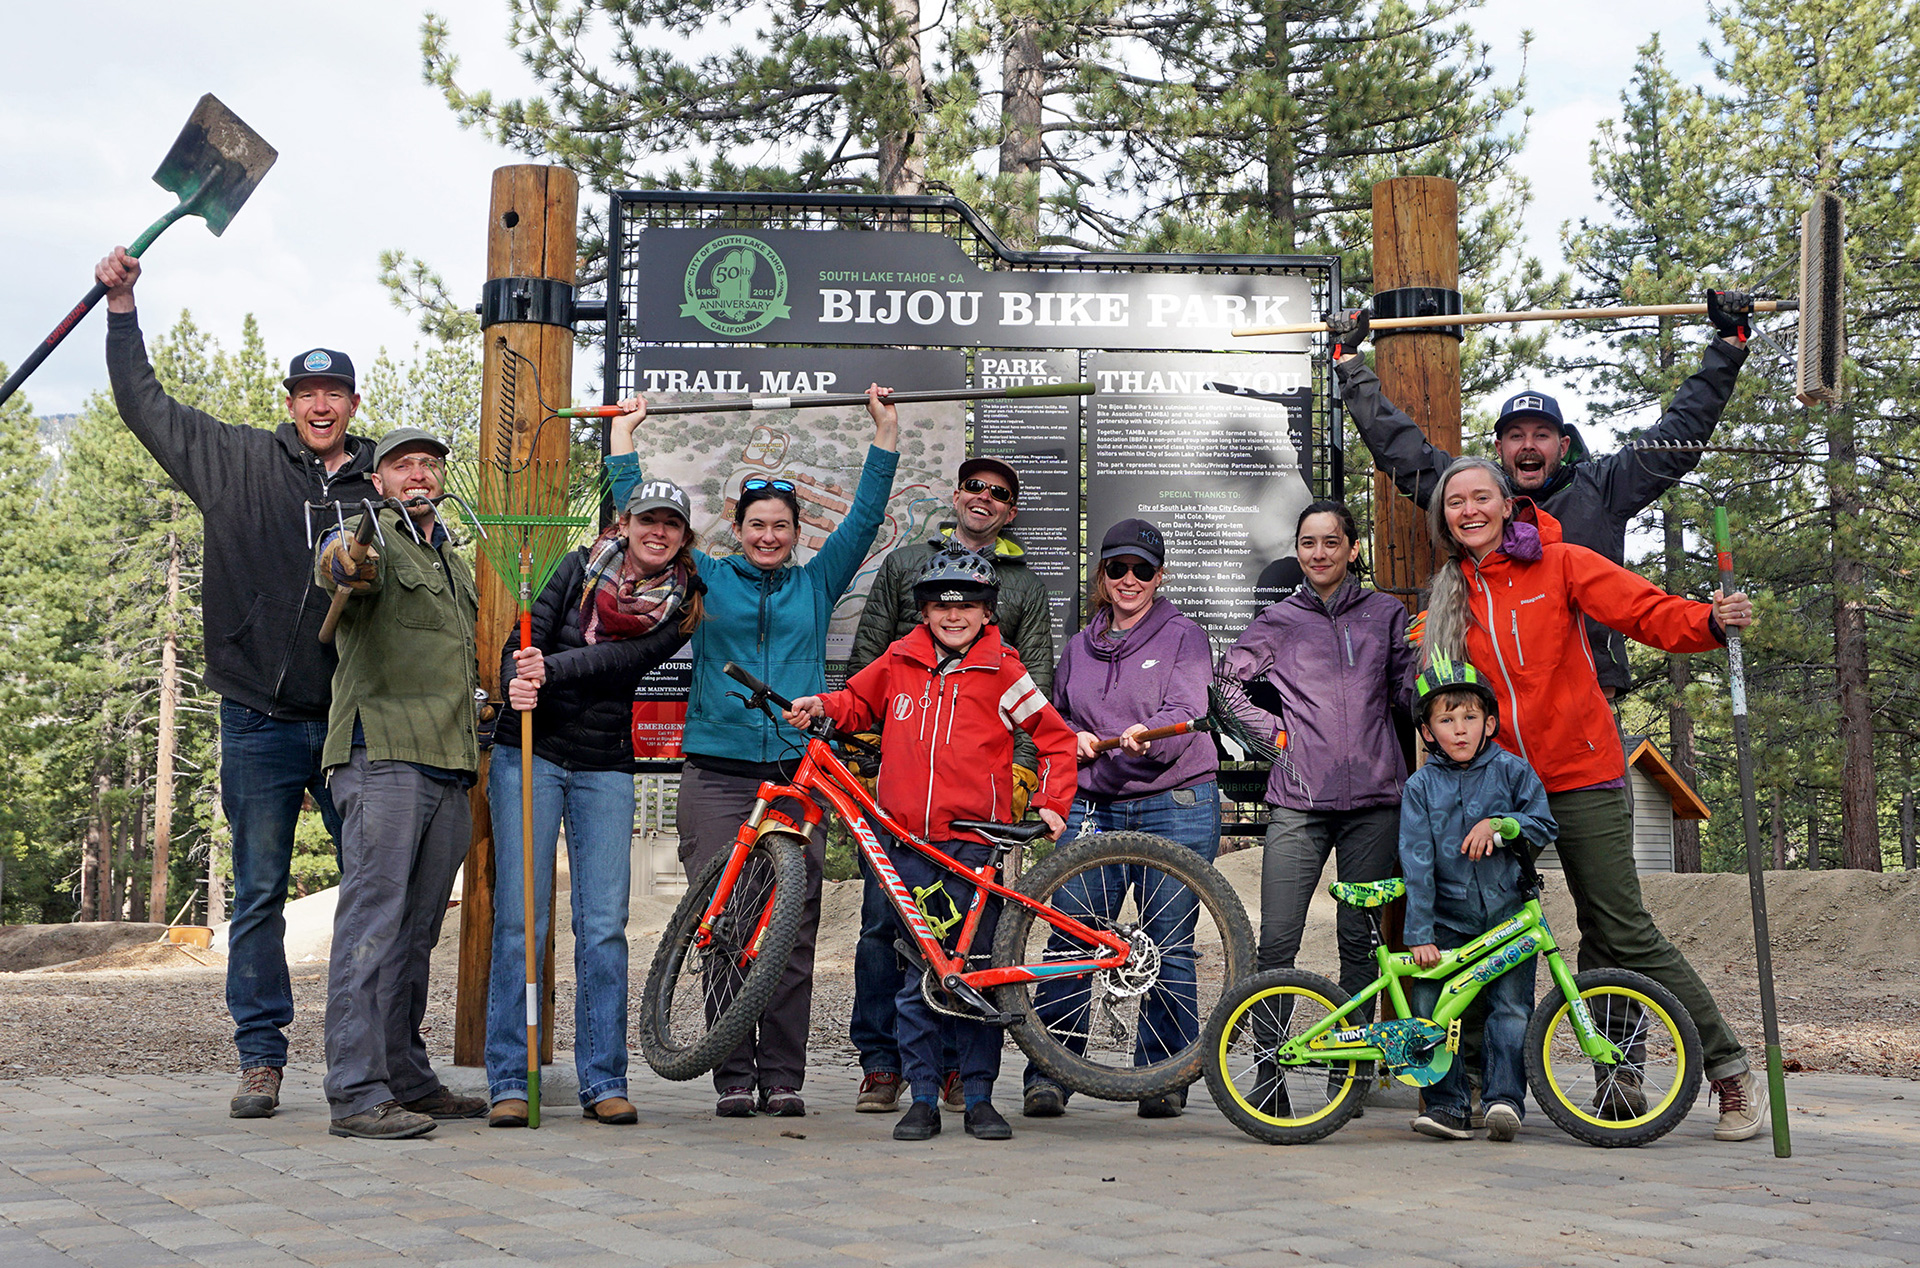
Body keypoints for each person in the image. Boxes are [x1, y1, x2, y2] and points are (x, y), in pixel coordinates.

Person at [97, 246, 378, 1119]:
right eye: (306, 393)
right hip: (256, 713)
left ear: (353, 405)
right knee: (257, 894)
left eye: (334, 393)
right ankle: (261, 1057)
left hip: (350, 721)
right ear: (290, 404)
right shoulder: (236, 462)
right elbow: (144, 405)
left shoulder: (384, 488)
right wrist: (123, 312)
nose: (321, 404)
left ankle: (369, 1057)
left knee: (374, 893)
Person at [1419, 455, 1767, 1142]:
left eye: (1481, 496)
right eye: (1455, 501)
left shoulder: (1563, 562)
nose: (1470, 510)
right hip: (1502, 789)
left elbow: (1642, 611)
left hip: (1582, 775)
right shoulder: (1448, 596)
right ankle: (1470, 1090)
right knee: (1486, 932)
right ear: (1444, 517)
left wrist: (1709, 621)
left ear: (1506, 501)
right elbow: (1435, 695)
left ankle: (1728, 1068)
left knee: (1618, 930)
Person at [607, 387, 900, 1118]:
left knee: (792, 926)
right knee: (724, 920)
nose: (769, 536)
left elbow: (864, 518)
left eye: (781, 526)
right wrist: (624, 442)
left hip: (798, 777)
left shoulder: (817, 581)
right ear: (736, 529)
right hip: (717, 773)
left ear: (799, 533)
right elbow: (645, 529)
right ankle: (732, 1074)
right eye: (757, 524)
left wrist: (885, 431)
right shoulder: (704, 578)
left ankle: (783, 1075)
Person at [783, 548, 1077, 1142]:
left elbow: (1056, 738)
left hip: (974, 848)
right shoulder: (899, 659)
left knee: (973, 971)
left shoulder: (1003, 670)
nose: (952, 614)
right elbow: (857, 704)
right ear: (922, 611)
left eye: (966, 604)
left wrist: (1052, 802)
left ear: (987, 613)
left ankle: (977, 1095)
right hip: (906, 842)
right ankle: (921, 1095)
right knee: (916, 973)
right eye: (940, 604)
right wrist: (823, 707)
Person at [1332, 290, 1754, 697]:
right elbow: (1403, 451)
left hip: (1586, 694)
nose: (1528, 446)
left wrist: (1728, 346)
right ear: (1500, 449)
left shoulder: (1605, 486)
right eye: (1515, 436)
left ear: (1563, 445)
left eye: (1541, 435)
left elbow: (1677, 438)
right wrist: (1350, 364)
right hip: (1496, 704)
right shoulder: (1478, 497)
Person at [483, 478, 706, 1129]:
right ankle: (508, 1079)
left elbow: (620, 661)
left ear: (681, 537)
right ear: (627, 523)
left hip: (605, 764)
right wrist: (513, 684)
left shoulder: (681, 603)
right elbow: (515, 651)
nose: (656, 531)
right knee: (521, 920)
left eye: (670, 523)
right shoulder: (574, 567)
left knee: (604, 926)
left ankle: (603, 1077)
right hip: (528, 754)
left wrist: (550, 670)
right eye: (647, 519)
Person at [844, 454, 1055, 1114]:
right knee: (886, 929)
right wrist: (866, 753)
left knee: (971, 941)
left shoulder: (1022, 584)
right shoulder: (906, 565)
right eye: (974, 487)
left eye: (998, 492)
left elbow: (1033, 688)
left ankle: (963, 1074)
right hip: (902, 795)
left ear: (1009, 510)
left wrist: (1024, 777)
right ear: (957, 494)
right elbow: (871, 660)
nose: (983, 498)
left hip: (977, 803)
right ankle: (884, 1064)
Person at [313, 427, 488, 1139]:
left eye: (429, 463)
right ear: (378, 480)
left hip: (448, 761)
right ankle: (354, 1092)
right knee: (372, 924)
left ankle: (403, 1076)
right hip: (380, 751)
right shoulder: (370, 535)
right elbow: (338, 564)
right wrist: (345, 558)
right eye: (402, 465)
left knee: (415, 932)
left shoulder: (453, 561)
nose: (418, 473)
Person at [1022, 518, 1220, 1120]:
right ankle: (1052, 1073)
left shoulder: (1185, 635)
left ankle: (1161, 1077)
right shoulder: (1078, 646)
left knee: (1168, 947)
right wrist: (1070, 738)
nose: (1129, 579)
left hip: (1176, 801)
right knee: (1072, 936)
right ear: (1102, 577)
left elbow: (1189, 706)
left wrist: (1150, 739)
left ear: (1159, 577)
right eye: (1117, 568)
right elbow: (1054, 715)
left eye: (1142, 569)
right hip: (1094, 804)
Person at [1218, 500, 1417, 1032]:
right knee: (1278, 940)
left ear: (1353, 550)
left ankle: (1346, 1070)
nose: (1320, 552)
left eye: (1332, 542)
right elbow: (1223, 685)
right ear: (1298, 550)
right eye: (1309, 542)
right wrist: (1275, 737)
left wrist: (1425, 660)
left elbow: (1408, 699)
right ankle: (1268, 1072)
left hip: (1376, 805)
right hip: (1298, 804)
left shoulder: (1386, 615)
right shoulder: (1279, 620)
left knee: (1360, 942)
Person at [1399, 655, 1557, 1143]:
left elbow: (1544, 823)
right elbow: (1417, 863)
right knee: (1432, 1008)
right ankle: (1447, 1105)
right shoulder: (1420, 786)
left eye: (1469, 718)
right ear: (1427, 732)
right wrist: (1420, 933)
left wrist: (1505, 825)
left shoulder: (1512, 772)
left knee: (1511, 1008)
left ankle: (1504, 1100)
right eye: (1446, 720)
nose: (1460, 730)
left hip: (1507, 915)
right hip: (1446, 921)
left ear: (1489, 722)